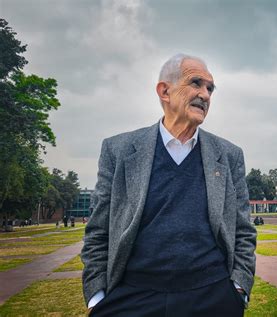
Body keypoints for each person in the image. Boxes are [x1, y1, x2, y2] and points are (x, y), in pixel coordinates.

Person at [81, 54, 257, 317]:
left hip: (213, 296)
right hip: (133, 294)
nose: (206, 95)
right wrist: (97, 298)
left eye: (210, 88)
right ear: (165, 91)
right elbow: (98, 231)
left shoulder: (229, 155)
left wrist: (238, 290)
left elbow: (243, 230)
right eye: (196, 83)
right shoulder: (118, 151)